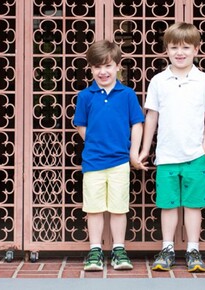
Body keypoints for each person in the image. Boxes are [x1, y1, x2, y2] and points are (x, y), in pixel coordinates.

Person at [138, 22, 205, 273]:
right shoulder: (158, 81)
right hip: (166, 155)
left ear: (197, 49)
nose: (180, 52)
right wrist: (145, 150)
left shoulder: (204, 81)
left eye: (186, 47)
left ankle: (193, 249)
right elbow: (151, 117)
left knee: (194, 205)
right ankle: (167, 248)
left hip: (194, 155)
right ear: (166, 50)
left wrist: (204, 150)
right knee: (169, 204)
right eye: (174, 47)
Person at [73, 40, 145, 271]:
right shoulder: (85, 95)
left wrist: (132, 152)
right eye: (97, 67)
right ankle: (95, 249)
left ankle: (118, 249)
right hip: (93, 161)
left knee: (118, 207)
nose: (103, 72)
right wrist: (96, 143)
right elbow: (81, 125)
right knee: (93, 208)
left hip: (120, 162)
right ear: (91, 69)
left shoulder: (127, 94)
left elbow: (137, 124)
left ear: (118, 67)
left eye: (108, 66)